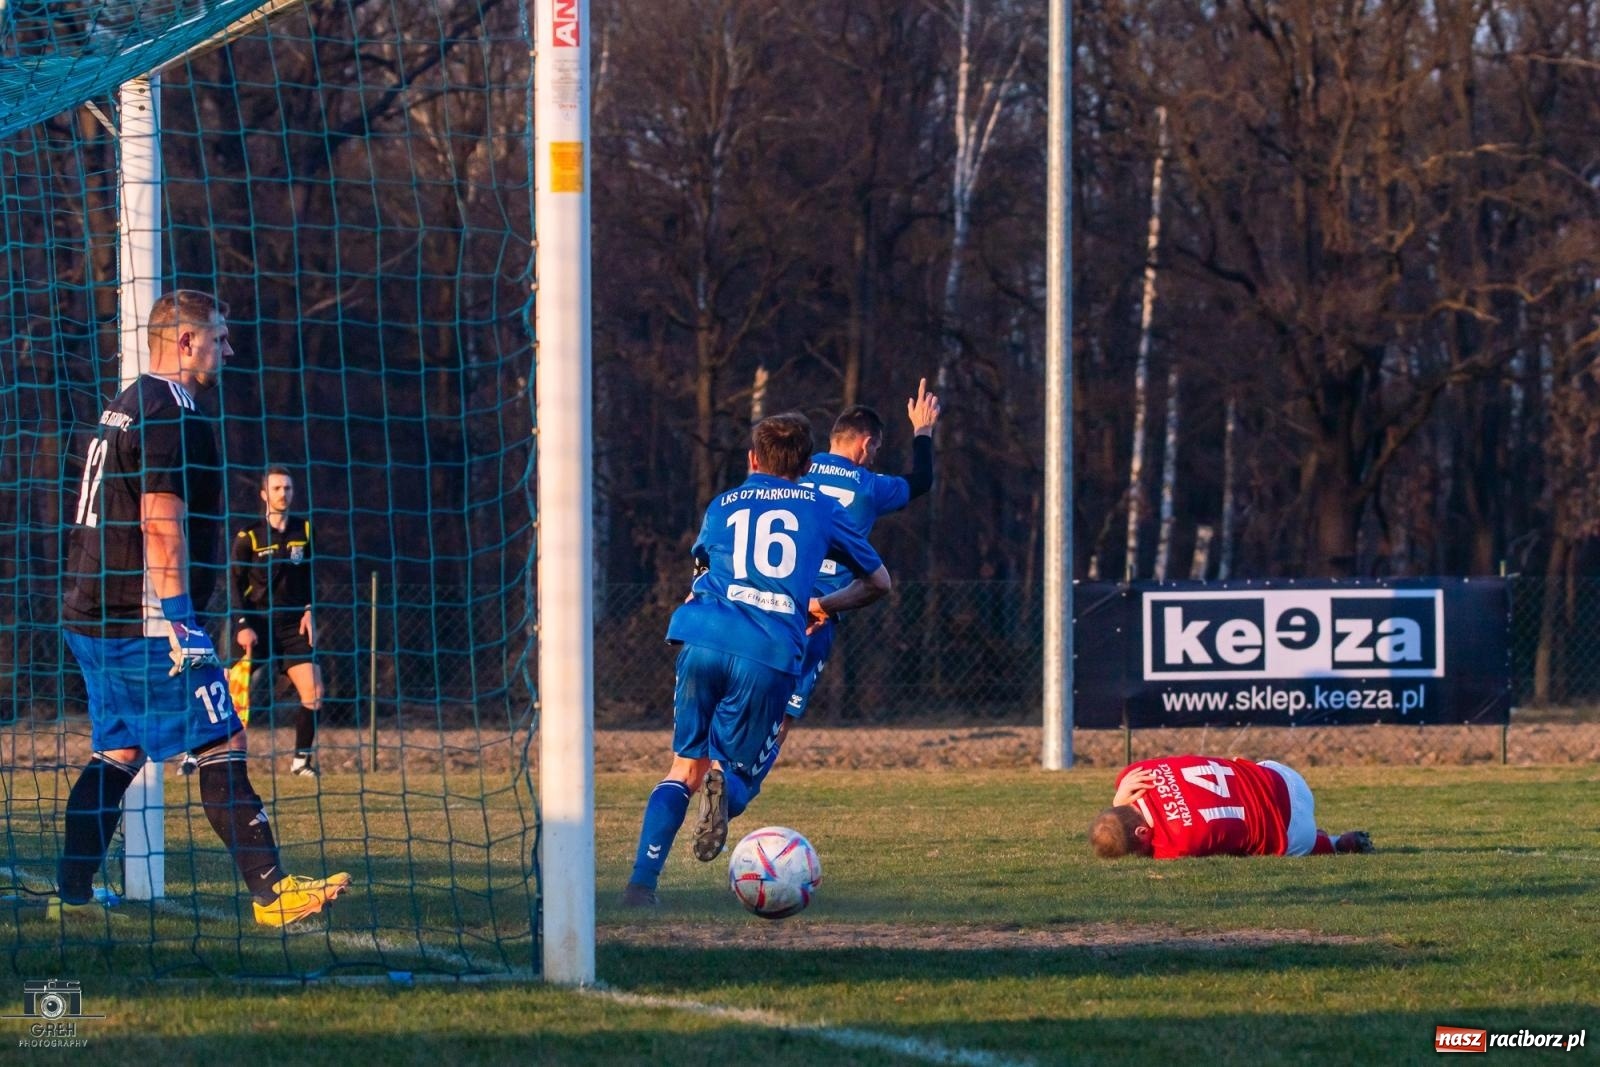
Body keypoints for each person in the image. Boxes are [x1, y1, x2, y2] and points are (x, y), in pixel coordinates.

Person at [57, 289, 349, 927]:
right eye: (220, 336)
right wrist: (182, 622)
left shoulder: (128, 402)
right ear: (186, 341)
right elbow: (160, 527)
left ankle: (70, 894)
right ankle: (272, 892)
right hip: (140, 619)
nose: (230, 349)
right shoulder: (172, 411)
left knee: (120, 751)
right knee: (223, 735)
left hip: (91, 609)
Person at [621, 412, 892, 907]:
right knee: (741, 774)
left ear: (752, 459)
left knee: (683, 768)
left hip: (702, 636)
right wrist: (822, 605)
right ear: (807, 466)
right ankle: (728, 786)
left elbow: (702, 571)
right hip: (767, 650)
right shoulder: (821, 507)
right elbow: (879, 583)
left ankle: (641, 886)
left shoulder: (722, 505)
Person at [729, 380, 941, 817]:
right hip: (819, 613)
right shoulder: (870, 486)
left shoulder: (798, 471)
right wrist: (922, 431)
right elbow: (922, 481)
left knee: (738, 695)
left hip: (765, 600)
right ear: (866, 445)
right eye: (875, 449)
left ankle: (718, 771)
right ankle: (738, 792)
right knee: (783, 715)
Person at [1090, 754, 1374, 859]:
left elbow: (1159, 847)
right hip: (1284, 776)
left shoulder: (1175, 843)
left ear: (1142, 832)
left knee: (1260, 845)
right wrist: (1118, 800)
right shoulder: (1135, 773)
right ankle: (1333, 840)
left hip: (1296, 831)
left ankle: (1333, 843)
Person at [230, 466, 324, 777]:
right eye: (277, 488)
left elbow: (310, 575)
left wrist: (309, 610)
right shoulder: (249, 535)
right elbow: (234, 582)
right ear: (264, 494)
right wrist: (242, 624)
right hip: (256, 624)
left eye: (288, 488)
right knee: (228, 695)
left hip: (292, 626)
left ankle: (300, 762)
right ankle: (196, 754)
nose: (283, 493)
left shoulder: (304, 530)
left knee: (314, 691)